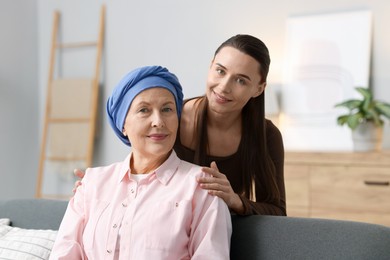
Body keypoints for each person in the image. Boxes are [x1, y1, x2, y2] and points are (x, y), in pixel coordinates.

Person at [74, 34, 286, 216]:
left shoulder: (266, 136)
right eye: (220, 71)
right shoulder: (170, 119)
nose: (224, 87)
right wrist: (99, 188)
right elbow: (141, 175)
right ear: (211, 66)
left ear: (259, 88)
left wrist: (236, 201)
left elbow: (277, 210)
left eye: (241, 80)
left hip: (221, 235)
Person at [51, 66, 232, 259]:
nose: (158, 121)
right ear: (123, 125)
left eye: (167, 109)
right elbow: (64, 254)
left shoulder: (202, 185)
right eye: (144, 110)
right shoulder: (92, 183)